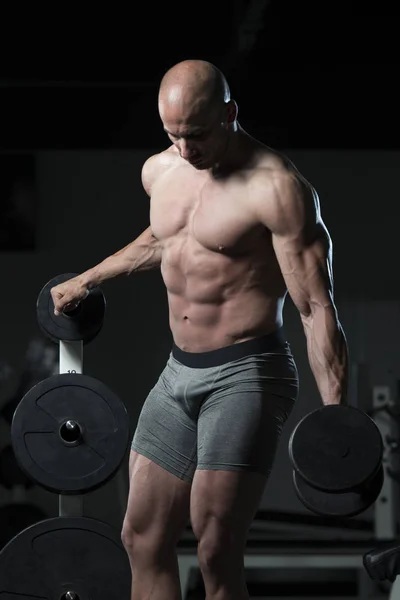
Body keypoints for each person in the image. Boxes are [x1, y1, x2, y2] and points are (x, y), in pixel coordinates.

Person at [50, 59, 348, 600]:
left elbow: (315, 309)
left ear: (231, 114)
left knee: (215, 546)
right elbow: (163, 241)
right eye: (174, 135)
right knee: (141, 538)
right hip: (177, 374)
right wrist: (90, 279)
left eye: (199, 134)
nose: (187, 149)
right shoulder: (161, 171)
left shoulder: (276, 188)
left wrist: (336, 423)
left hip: (247, 371)